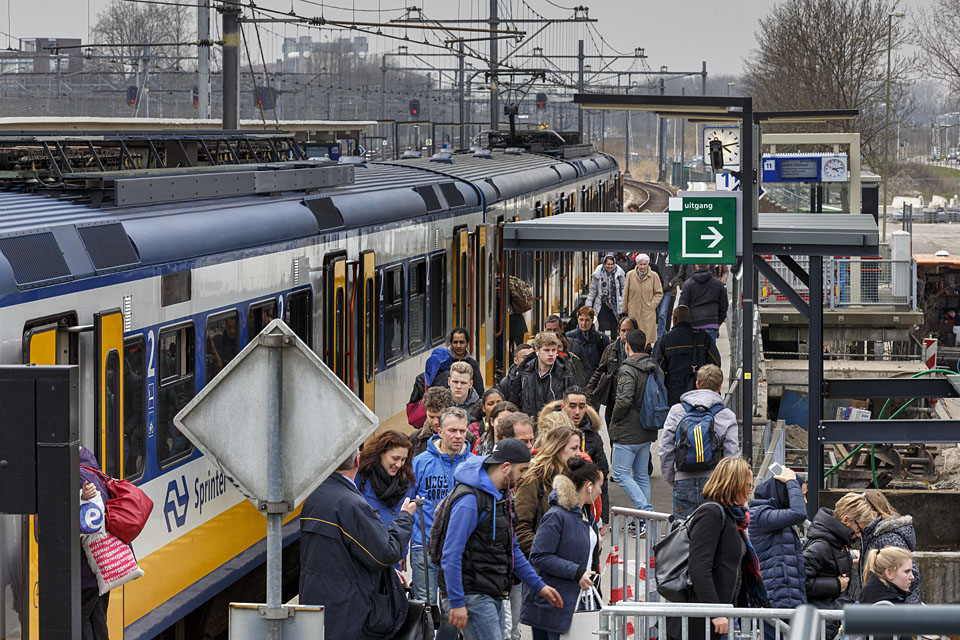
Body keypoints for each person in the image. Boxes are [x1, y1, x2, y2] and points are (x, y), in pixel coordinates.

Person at [438, 439, 564, 638]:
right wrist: (456, 602)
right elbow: (451, 553)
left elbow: (512, 550)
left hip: (491, 591)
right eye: (522, 470)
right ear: (506, 467)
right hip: (472, 594)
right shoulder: (470, 500)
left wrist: (539, 586)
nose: (524, 477)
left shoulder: (503, 497)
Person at [300, 448, 416, 639]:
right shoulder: (351, 504)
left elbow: (338, 551)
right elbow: (385, 554)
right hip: (348, 611)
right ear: (357, 461)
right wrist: (404, 518)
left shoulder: (315, 497)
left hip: (316, 602)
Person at [666, 457, 766, 640]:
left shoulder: (733, 518)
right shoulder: (711, 513)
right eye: (748, 486)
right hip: (703, 618)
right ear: (734, 485)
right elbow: (699, 567)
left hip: (720, 614)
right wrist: (716, 612)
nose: (750, 492)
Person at [521, 457, 603, 640]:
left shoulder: (586, 515)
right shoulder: (557, 515)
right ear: (589, 486)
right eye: (600, 486)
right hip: (554, 604)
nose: (600, 491)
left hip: (578, 601)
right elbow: (540, 556)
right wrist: (577, 572)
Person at [658, 365, 740, 519]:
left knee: (682, 534)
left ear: (697, 384)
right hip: (714, 483)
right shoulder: (727, 415)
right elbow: (732, 456)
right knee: (712, 534)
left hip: (683, 480)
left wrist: (672, 478)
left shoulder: (677, 411)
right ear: (720, 386)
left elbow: (665, 449)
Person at [411, 407, 474, 604]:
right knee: (425, 606)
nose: (458, 436)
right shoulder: (419, 463)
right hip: (424, 545)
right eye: (452, 430)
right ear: (439, 431)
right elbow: (406, 504)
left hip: (460, 548)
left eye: (462, 431)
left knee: (452, 609)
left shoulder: (475, 465)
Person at [608, 329, 662, 532]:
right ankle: (642, 519)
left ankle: (645, 511)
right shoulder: (653, 367)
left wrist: (615, 420)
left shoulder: (628, 369)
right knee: (640, 475)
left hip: (628, 432)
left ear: (627, 346)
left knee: (621, 473)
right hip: (646, 429)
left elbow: (623, 400)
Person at [803, 492, 876, 638]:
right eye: (859, 530)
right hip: (820, 623)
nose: (859, 535)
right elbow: (800, 582)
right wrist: (836, 584)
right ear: (846, 520)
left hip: (828, 621)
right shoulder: (821, 546)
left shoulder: (835, 542)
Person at [749, 467, 808, 639]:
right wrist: (791, 481)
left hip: (787, 598)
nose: (803, 501)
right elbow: (799, 513)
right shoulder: (761, 515)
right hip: (775, 599)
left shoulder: (777, 517)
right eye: (801, 494)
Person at [496, 412, 537, 640]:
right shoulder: (484, 486)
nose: (530, 447)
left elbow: (514, 539)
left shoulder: (527, 475)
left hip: (516, 572)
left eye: (532, 440)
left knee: (515, 631)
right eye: (524, 442)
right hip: (490, 580)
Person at [514, 425, 583, 555]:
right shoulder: (532, 480)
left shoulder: (575, 478)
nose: (578, 453)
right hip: (540, 565)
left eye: (579, 448)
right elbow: (520, 529)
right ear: (557, 449)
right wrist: (550, 554)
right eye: (574, 448)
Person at [653, 305, 722, 406]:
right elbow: (716, 363)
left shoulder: (665, 340)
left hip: (673, 393)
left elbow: (657, 368)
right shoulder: (703, 337)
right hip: (699, 392)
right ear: (690, 319)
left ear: (674, 319)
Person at [559, 386, 609, 525]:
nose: (577, 411)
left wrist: (602, 518)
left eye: (581, 407)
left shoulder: (593, 437)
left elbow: (602, 475)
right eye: (572, 406)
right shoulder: (552, 435)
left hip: (587, 509)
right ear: (563, 407)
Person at [860, 490, 921, 603]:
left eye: (862, 513)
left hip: (900, 609)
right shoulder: (873, 534)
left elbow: (912, 573)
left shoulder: (887, 536)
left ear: (874, 514)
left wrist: (891, 598)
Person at [79, 446, 111, 639]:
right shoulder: (93, 471)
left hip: (87, 566)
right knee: (97, 617)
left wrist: (81, 498)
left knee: (79, 616)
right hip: (102, 563)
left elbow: (87, 524)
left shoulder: (80, 476)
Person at [356, 430, 417, 530]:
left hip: (396, 543)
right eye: (395, 458)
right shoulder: (361, 478)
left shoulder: (406, 481)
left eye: (403, 459)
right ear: (381, 453)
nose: (398, 465)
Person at [508, 331, 578, 418]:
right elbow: (514, 402)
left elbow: (574, 401)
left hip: (556, 426)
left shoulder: (565, 372)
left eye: (554, 350)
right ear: (537, 350)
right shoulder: (524, 372)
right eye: (546, 350)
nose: (551, 354)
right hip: (530, 425)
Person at [587, 316, 637, 424]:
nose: (626, 334)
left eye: (630, 331)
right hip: (613, 400)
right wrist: (589, 391)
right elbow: (600, 371)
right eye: (623, 331)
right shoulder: (610, 349)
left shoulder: (641, 350)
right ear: (619, 332)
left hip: (634, 402)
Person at [678, 265, 728, 341]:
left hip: (693, 323)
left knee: (693, 352)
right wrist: (718, 322)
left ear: (696, 266)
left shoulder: (688, 284)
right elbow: (724, 306)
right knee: (709, 351)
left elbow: (682, 306)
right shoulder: (718, 284)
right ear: (708, 266)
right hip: (711, 322)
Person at [622, 253, 663, 348]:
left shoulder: (654, 276)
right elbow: (626, 292)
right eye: (640, 264)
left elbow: (659, 293)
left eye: (644, 264)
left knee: (646, 337)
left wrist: (652, 305)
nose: (642, 266)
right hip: (633, 311)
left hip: (647, 312)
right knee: (633, 336)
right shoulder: (630, 275)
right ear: (637, 264)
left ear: (648, 264)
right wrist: (625, 308)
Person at [407, 346, 452, 429]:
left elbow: (413, 401)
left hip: (426, 423)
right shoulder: (452, 377)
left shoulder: (421, 378)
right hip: (446, 423)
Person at [566, 306, 610, 385]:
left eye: (587, 320)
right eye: (581, 320)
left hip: (595, 381)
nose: (583, 323)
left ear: (592, 320)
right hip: (574, 380)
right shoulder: (569, 337)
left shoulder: (602, 339)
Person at [584, 255, 626, 339]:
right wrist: (588, 305)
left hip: (615, 304)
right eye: (608, 264)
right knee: (602, 325)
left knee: (615, 325)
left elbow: (624, 287)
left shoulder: (620, 273)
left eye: (611, 264)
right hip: (602, 303)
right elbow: (593, 291)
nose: (610, 266)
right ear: (604, 263)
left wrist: (622, 300)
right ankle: (601, 343)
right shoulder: (597, 274)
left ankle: (614, 344)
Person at [411, 386, 455, 457]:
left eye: (439, 417)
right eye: (431, 417)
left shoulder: (466, 438)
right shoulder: (415, 439)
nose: (435, 422)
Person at [450, 327, 485, 396]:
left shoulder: (473, 364)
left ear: (467, 343)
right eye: (455, 342)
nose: (458, 346)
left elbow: (479, 390)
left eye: (462, 342)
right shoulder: (444, 362)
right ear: (451, 343)